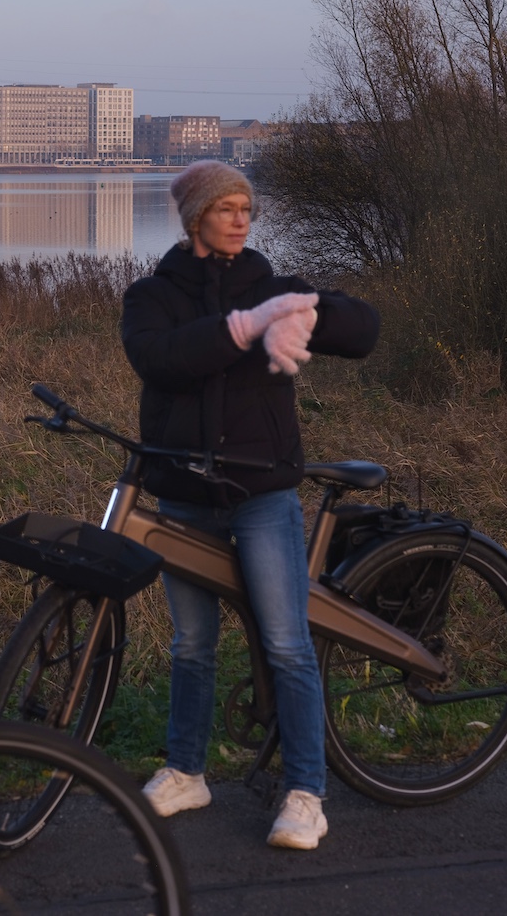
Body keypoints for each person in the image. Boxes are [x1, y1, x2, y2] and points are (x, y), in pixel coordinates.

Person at [120, 160, 378, 850]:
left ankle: (306, 792)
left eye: (246, 208)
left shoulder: (274, 284)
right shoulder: (153, 295)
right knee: (192, 645)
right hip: (184, 496)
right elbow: (162, 359)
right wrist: (246, 325)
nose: (240, 219)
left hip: (261, 493)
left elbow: (363, 332)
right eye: (226, 207)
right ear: (195, 216)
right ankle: (186, 771)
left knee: (288, 644)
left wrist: (307, 308)